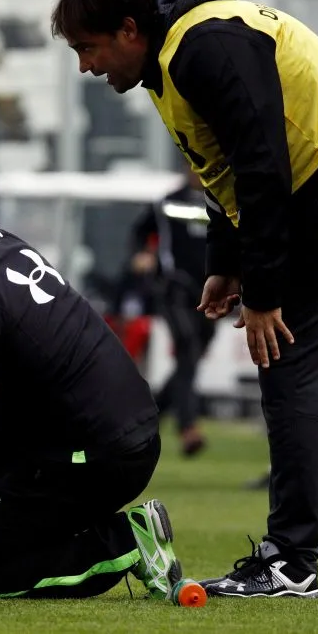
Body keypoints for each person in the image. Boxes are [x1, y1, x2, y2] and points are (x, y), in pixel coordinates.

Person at [51, 0, 318, 598]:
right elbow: (222, 167)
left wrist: (263, 294)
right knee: (289, 376)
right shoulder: (172, 51)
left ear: (128, 29)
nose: (86, 67)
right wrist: (227, 264)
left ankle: (292, 561)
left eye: (87, 48)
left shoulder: (203, 44)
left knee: (290, 370)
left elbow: (262, 166)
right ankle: (291, 554)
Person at [0, 165, 200, 602]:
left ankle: (127, 541)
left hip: (97, 453)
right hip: (122, 430)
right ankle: (1, 537)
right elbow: (17, 354)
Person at [128, 170, 216, 457]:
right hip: (175, 290)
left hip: (211, 292)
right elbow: (140, 231)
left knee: (188, 361)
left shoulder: (221, 199)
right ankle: (188, 428)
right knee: (187, 347)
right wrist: (142, 253)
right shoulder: (168, 202)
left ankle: (146, 415)